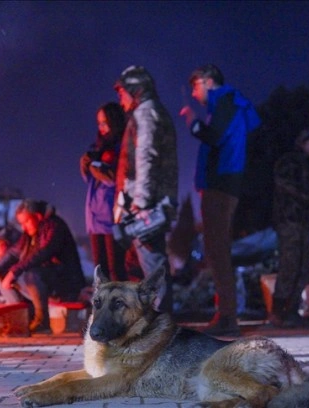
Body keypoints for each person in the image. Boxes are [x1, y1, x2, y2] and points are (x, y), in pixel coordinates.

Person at [179, 64, 261, 336]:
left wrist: (193, 121)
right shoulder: (227, 103)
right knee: (217, 249)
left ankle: (226, 316)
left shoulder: (226, 101)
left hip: (221, 185)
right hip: (223, 184)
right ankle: (225, 314)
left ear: (207, 81)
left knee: (217, 250)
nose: (193, 93)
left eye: (195, 86)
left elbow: (215, 137)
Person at [113, 65, 178, 314]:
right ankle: (153, 323)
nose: (120, 100)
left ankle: (160, 328)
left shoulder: (146, 113)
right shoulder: (150, 112)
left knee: (153, 266)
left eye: (122, 93)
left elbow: (146, 157)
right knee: (145, 264)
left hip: (148, 204)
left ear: (135, 90)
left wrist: (140, 201)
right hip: (153, 200)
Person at [0, 199, 85, 333]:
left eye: (27, 221)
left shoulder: (55, 227)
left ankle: (42, 322)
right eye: (21, 224)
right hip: (43, 284)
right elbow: (13, 253)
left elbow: (43, 253)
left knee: (31, 274)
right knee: (4, 274)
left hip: (64, 285)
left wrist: (14, 271)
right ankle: (19, 322)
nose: (24, 227)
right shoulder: (29, 234)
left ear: (38, 216)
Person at [270, 129, 309, 327]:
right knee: (289, 266)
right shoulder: (290, 162)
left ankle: (291, 311)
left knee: (303, 268)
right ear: (302, 143)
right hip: (289, 221)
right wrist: (305, 195)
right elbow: (284, 183)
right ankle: (278, 311)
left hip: (303, 223)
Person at [80, 102, 127, 282]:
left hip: (111, 216)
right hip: (95, 216)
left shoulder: (121, 147)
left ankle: (121, 308)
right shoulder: (99, 148)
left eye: (105, 123)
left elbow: (112, 178)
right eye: (99, 124)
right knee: (100, 270)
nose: (101, 128)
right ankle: (106, 307)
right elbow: (93, 181)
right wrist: (86, 166)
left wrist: (94, 167)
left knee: (116, 268)